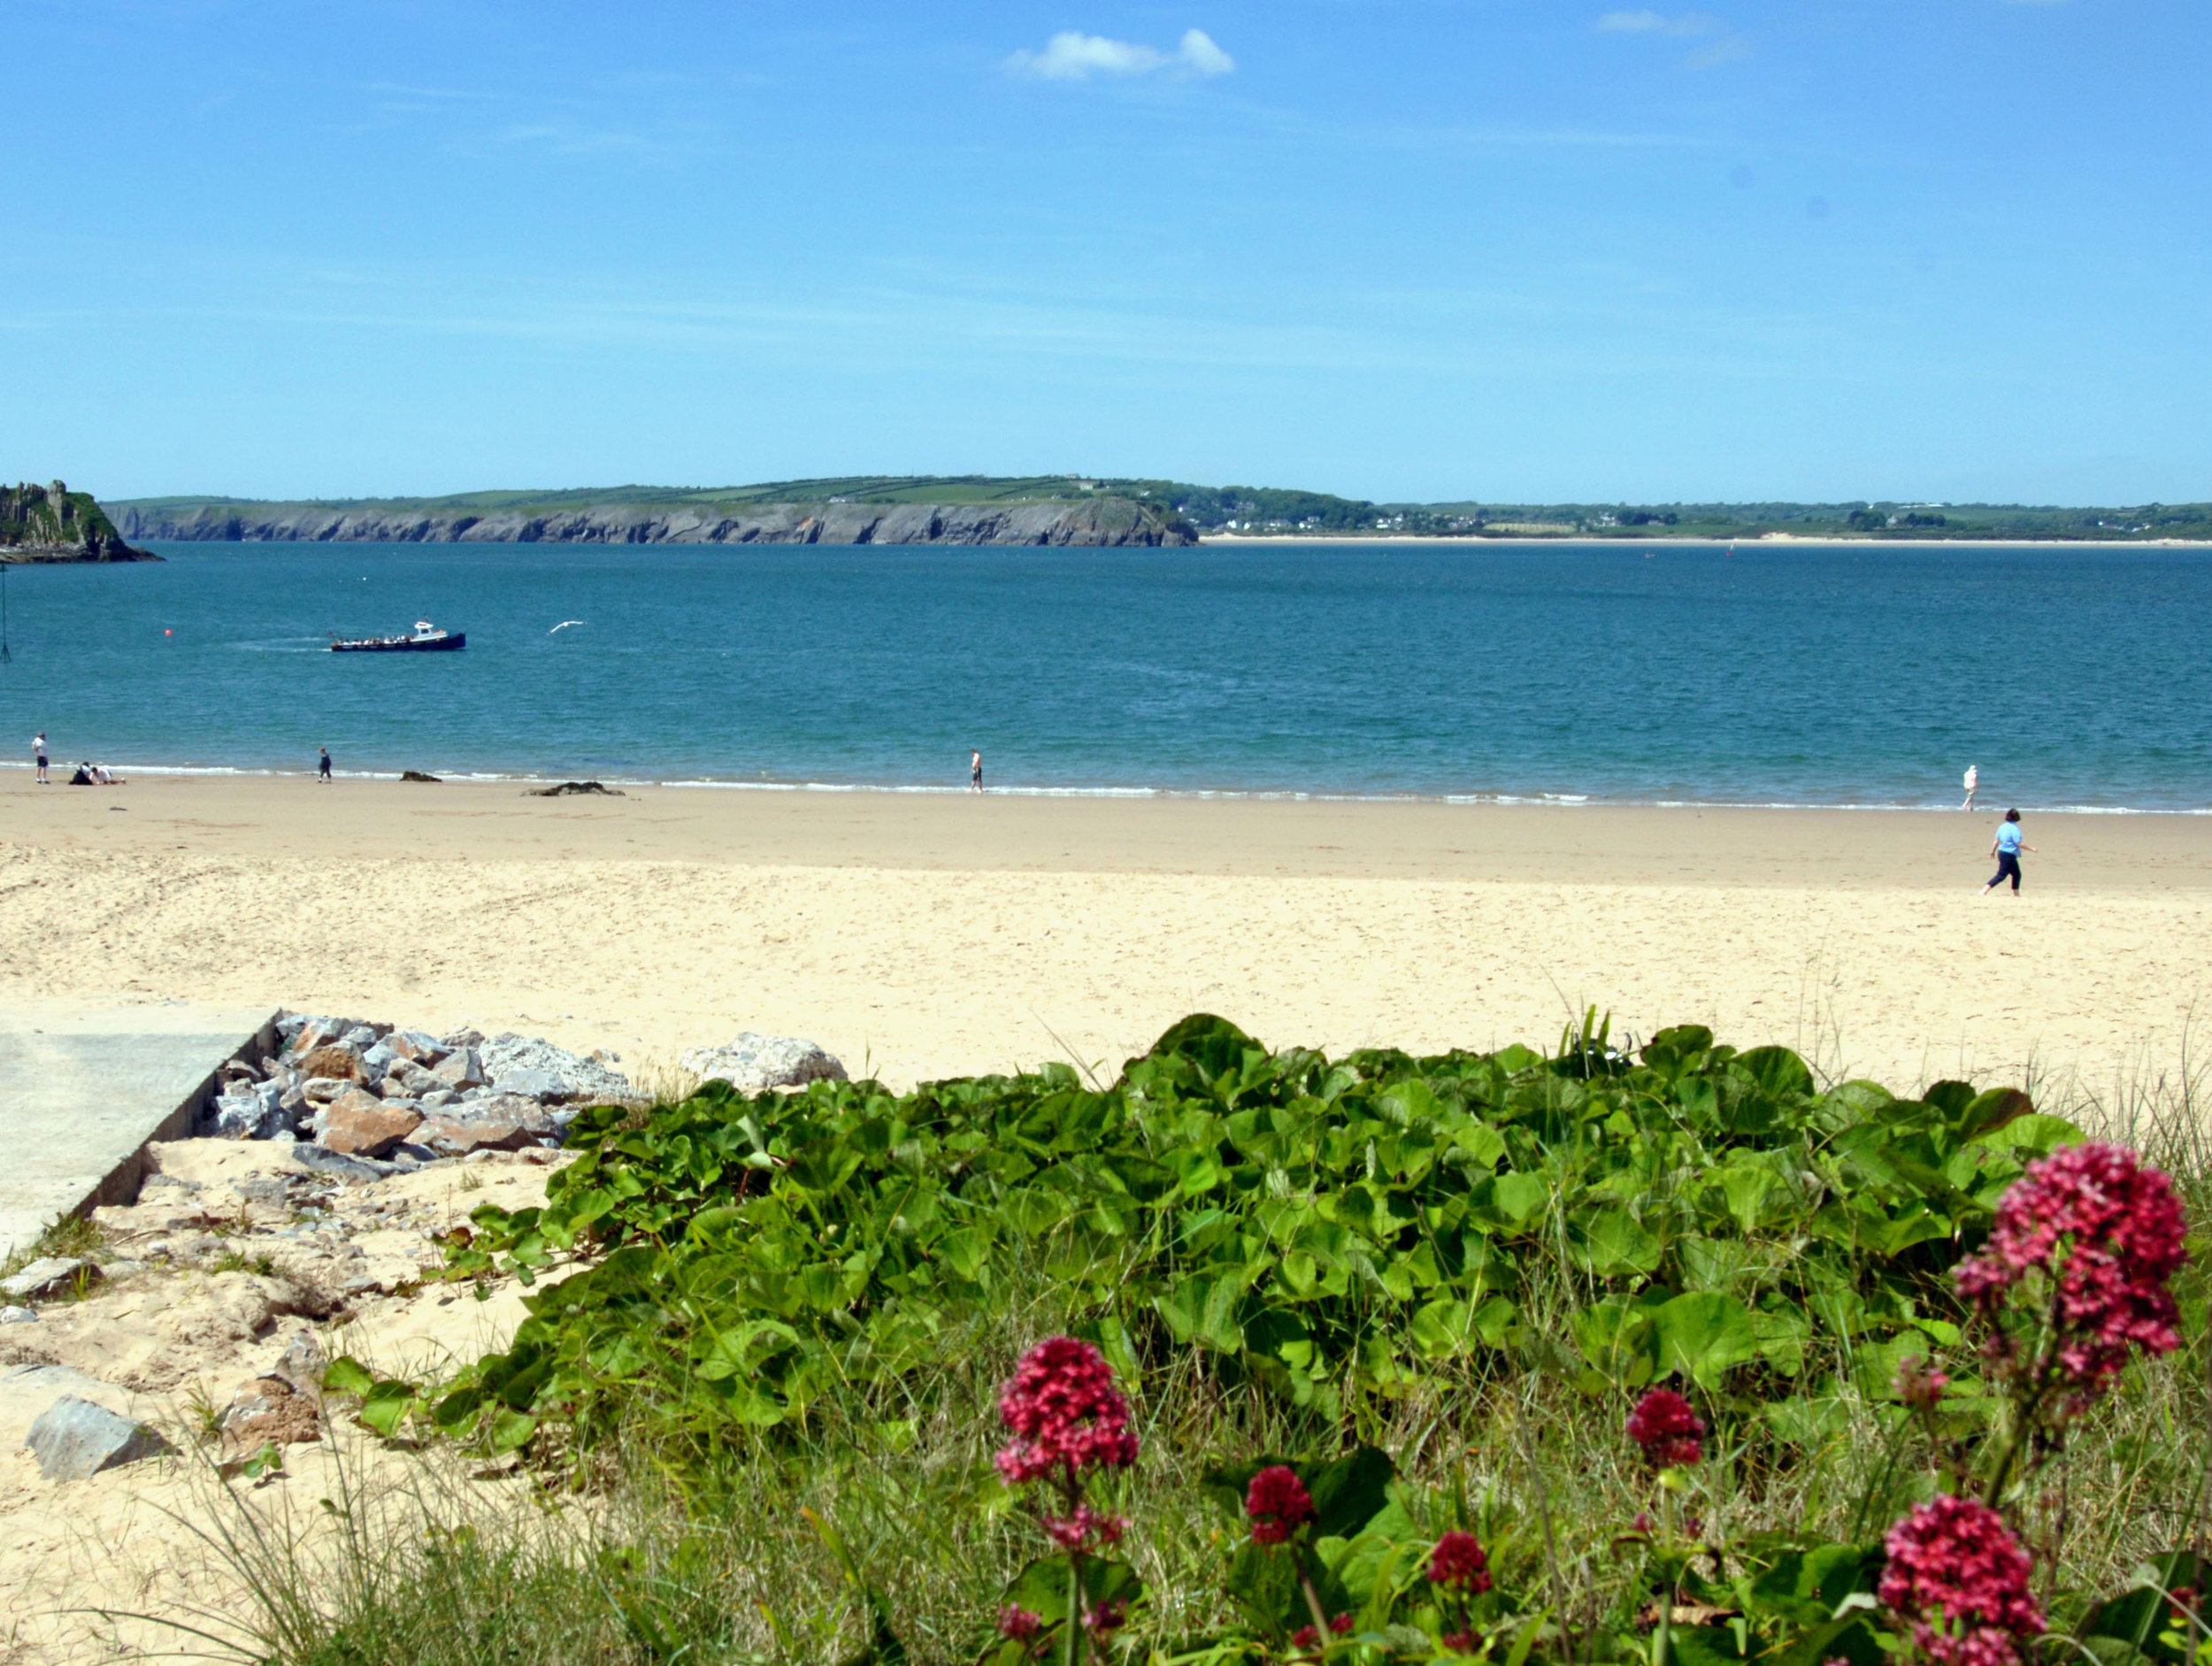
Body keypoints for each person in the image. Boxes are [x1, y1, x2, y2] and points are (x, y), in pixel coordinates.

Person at [1981, 809, 2036, 896]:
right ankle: (1984, 891)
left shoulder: (2002, 826)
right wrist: (2032, 849)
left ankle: (2016, 894)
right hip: (2008, 855)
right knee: (2001, 875)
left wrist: (1993, 851)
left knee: (2017, 874)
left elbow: (1996, 841)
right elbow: (2019, 843)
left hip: (2002, 852)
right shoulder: (2015, 828)